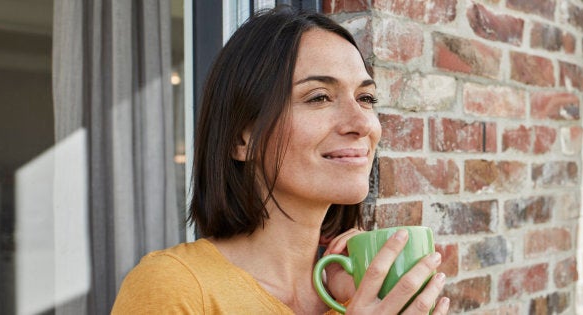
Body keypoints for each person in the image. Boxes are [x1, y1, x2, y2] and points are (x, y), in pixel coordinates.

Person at [112, 6, 449, 314]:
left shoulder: (359, 299)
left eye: (366, 97)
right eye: (319, 97)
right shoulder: (174, 288)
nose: (362, 124)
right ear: (242, 139)